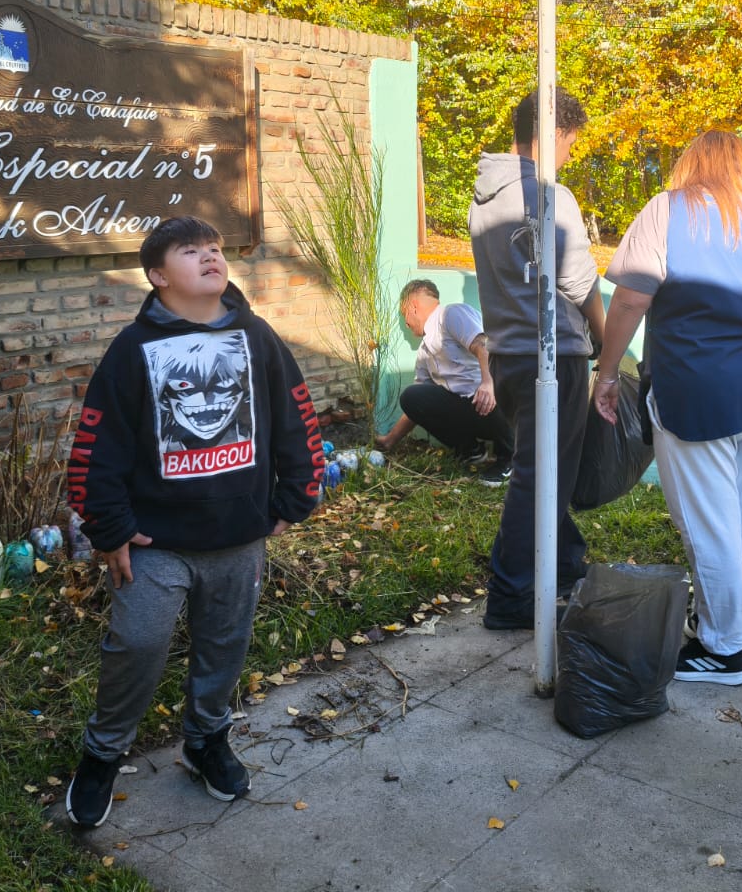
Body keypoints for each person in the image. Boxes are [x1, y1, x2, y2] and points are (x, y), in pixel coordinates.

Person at [64, 216, 325, 828]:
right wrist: (109, 528)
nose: (211, 257)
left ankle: (206, 740)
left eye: (214, 247)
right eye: (191, 251)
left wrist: (295, 498)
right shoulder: (133, 350)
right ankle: (102, 753)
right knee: (140, 641)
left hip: (238, 536)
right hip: (156, 542)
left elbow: (296, 417)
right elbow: (97, 445)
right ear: (158, 276)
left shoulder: (258, 337)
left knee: (224, 645)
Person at [593, 132, 742, 684]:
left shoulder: (666, 210)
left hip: (697, 385)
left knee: (706, 524)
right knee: (741, 518)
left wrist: (608, 370)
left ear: (690, 164)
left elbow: (633, 297)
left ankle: (724, 651)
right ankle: (719, 629)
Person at [468, 89, 606, 629]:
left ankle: (566, 565)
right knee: (539, 476)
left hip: (508, 353)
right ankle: (510, 596)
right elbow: (578, 281)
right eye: (571, 141)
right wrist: (606, 345)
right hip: (556, 355)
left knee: (547, 470)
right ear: (555, 135)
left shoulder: (484, 194)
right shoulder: (550, 194)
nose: (571, 154)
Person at [374, 279, 514, 484]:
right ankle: (471, 451)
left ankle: (511, 457)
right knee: (413, 397)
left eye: (404, 315)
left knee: (495, 390)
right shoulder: (424, 352)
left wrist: (488, 383)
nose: (406, 324)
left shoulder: (450, 314)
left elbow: (484, 346)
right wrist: (389, 440)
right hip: (475, 410)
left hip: (499, 401)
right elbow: (418, 406)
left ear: (413, 306)